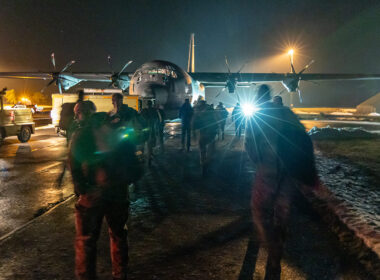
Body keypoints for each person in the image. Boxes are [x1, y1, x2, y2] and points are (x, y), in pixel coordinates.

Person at [245, 84, 318, 280]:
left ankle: (273, 250)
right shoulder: (286, 112)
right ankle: (281, 236)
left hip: (266, 174)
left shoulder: (256, 116)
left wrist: (260, 164)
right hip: (287, 175)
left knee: (258, 211)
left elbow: (249, 146)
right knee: (283, 210)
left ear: (257, 98)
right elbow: (304, 137)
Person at [70, 97, 143, 280]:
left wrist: (82, 189)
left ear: (83, 114)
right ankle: (120, 274)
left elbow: (74, 164)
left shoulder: (81, 135)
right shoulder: (119, 131)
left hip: (92, 195)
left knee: (86, 240)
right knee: (118, 235)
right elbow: (135, 164)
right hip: (118, 193)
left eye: (78, 114)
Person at [193, 100, 218, 177]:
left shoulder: (198, 113)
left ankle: (204, 168)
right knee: (210, 152)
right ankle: (207, 166)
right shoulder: (211, 111)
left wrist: (194, 132)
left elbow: (194, 124)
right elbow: (216, 122)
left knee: (202, 152)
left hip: (202, 134)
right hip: (211, 135)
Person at [141, 100, 160, 166]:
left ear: (147, 104)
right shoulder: (154, 111)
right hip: (151, 130)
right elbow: (158, 120)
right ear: (151, 104)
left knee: (142, 144)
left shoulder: (143, 111)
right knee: (150, 145)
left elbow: (140, 119)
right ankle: (149, 158)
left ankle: (142, 157)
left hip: (144, 130)